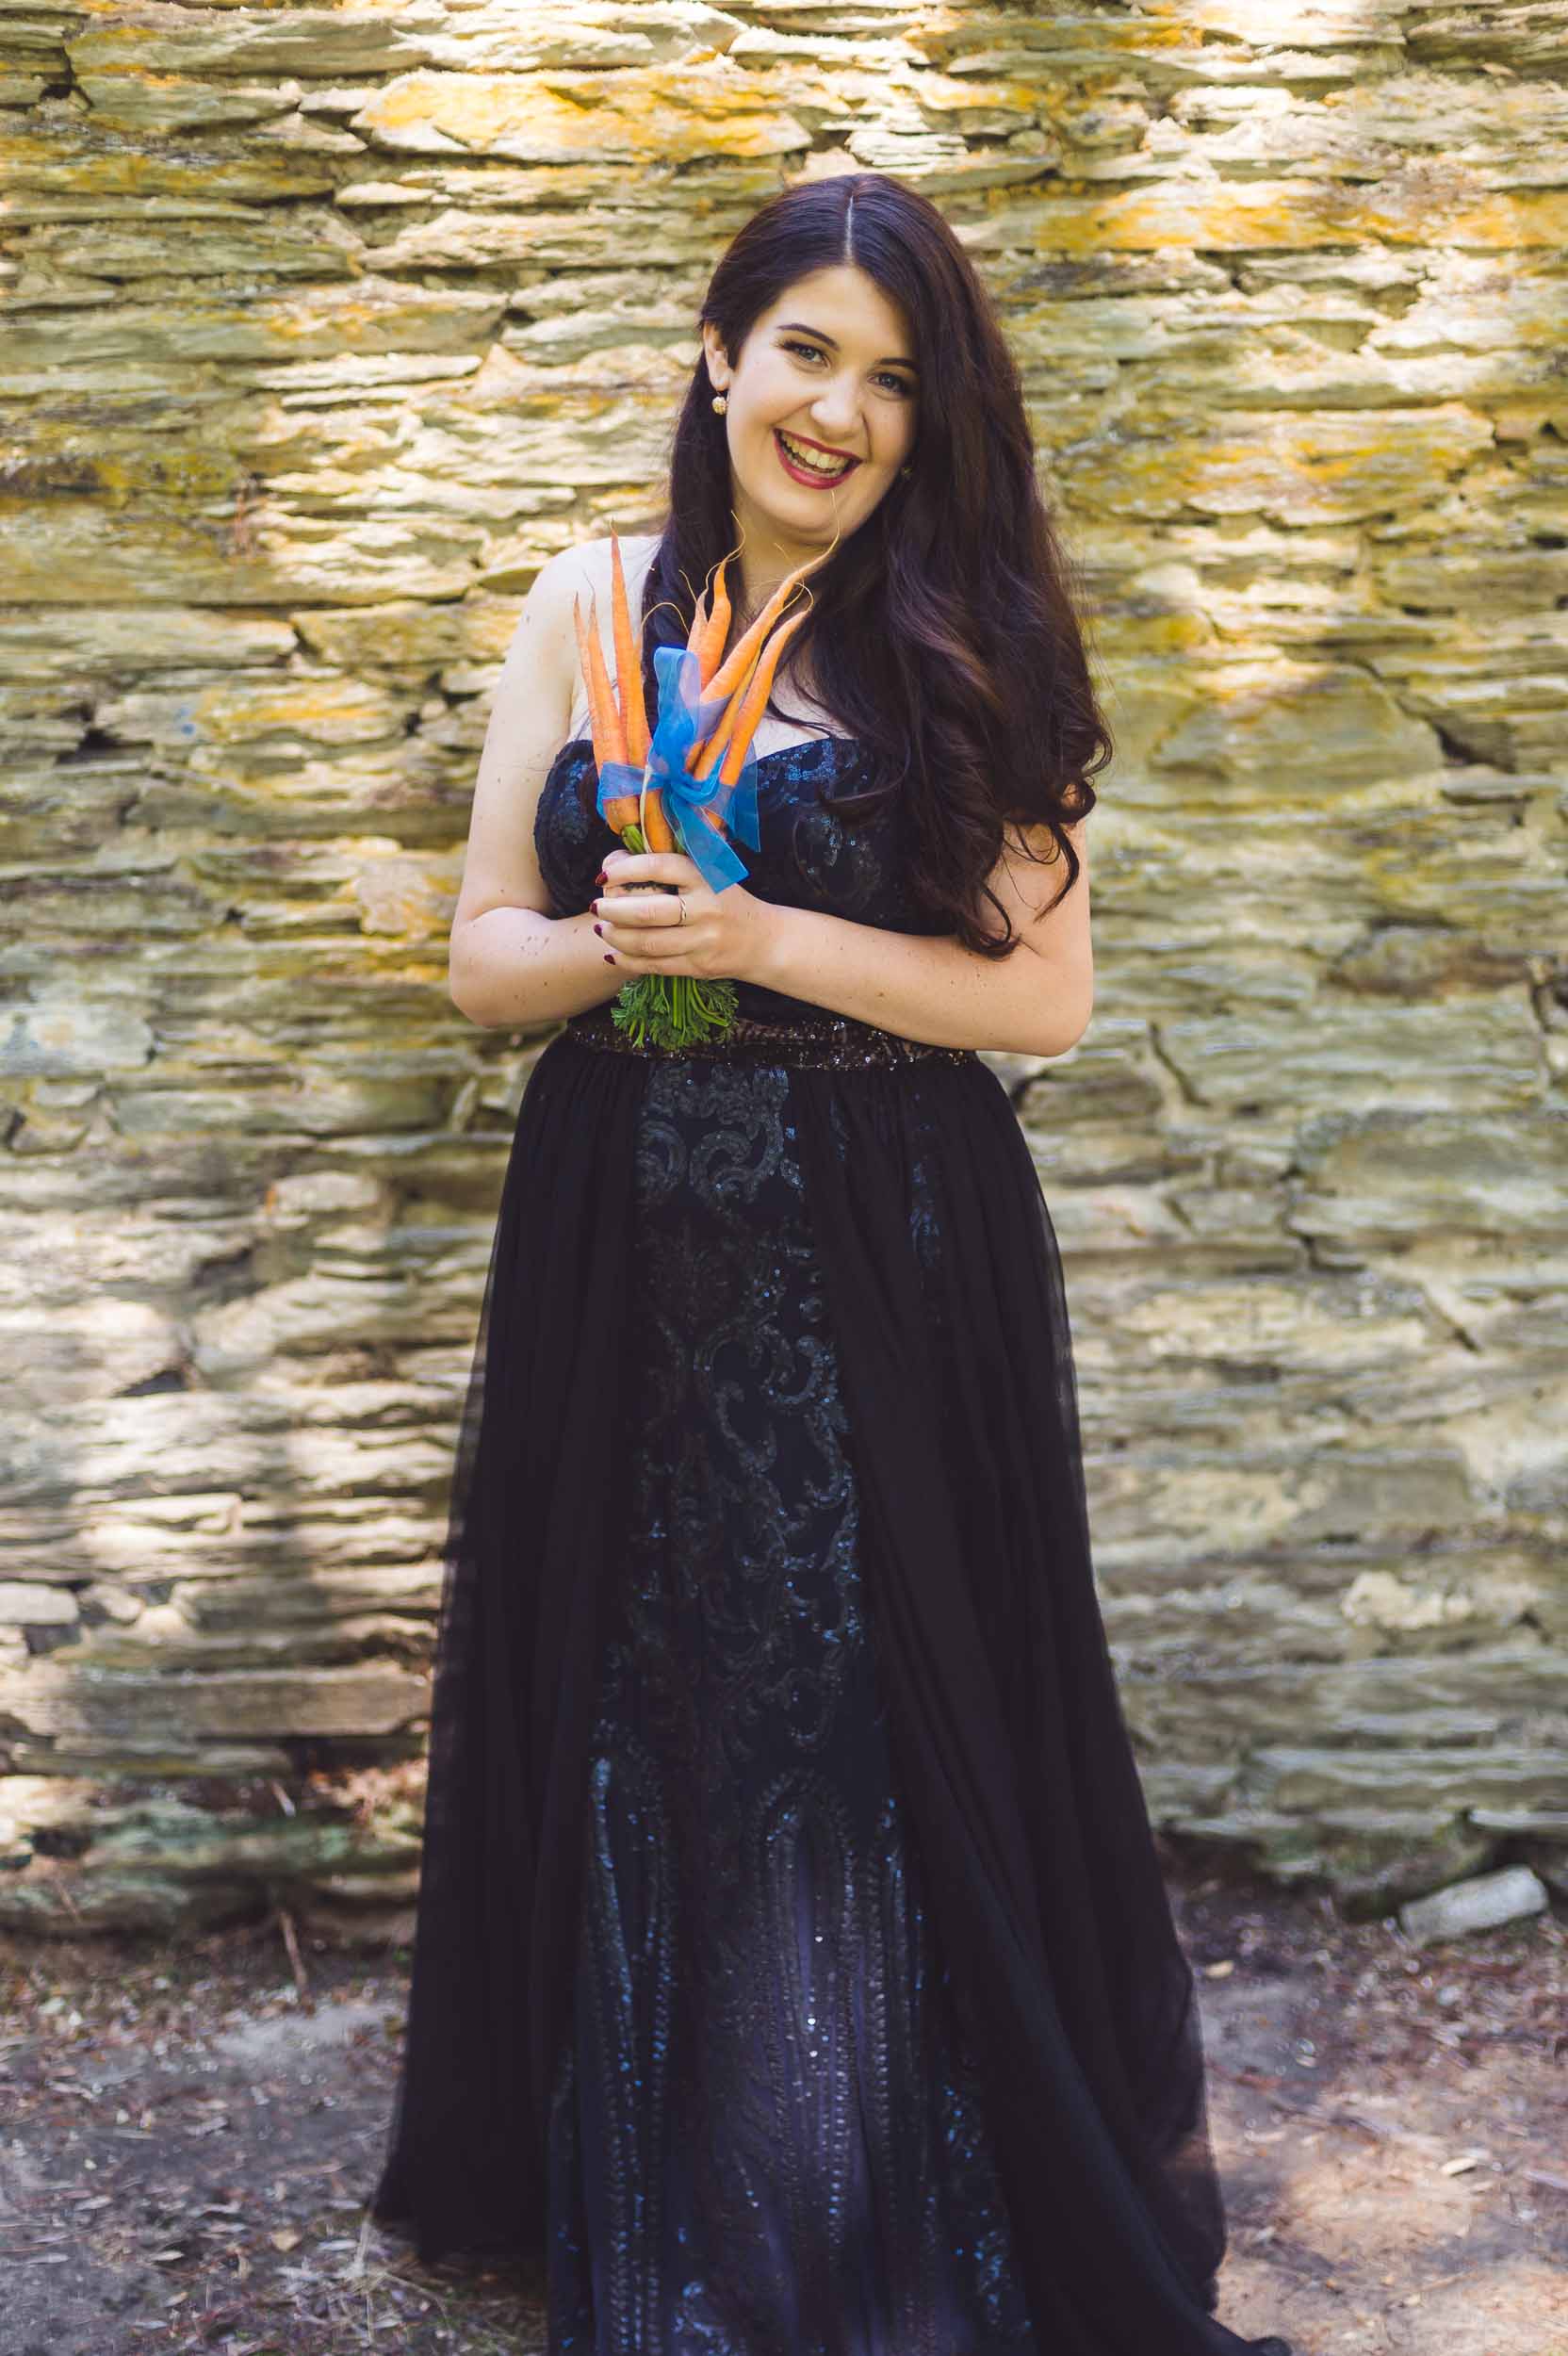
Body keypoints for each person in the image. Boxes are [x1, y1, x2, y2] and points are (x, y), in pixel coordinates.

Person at [370, 170, 1296, 2356]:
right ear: (720, 355)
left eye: (891, 380)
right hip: (625, 1214)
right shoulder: (591, 598)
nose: (838, 411)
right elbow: (479, 960)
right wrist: (615, 942)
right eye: (803, 351)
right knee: (643, 1683)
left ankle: (893, 2194)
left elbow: (1039, 1002)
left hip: (888, 1233)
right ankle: (662, 2183)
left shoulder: (959, 625)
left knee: (886, 1693)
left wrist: (768, 931)